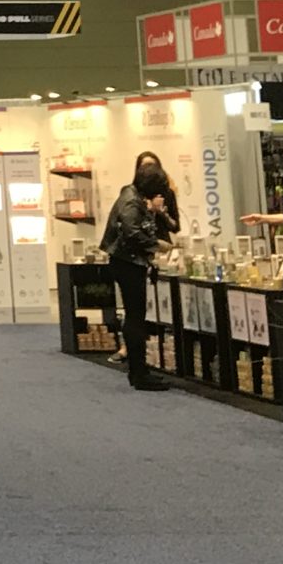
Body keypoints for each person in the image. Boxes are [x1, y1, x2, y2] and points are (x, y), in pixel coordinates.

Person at [100, 151, 179, 391]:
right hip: (127, 263)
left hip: (127, 261)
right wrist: (155, 244)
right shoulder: (131, 202)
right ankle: (139, 373)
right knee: (135, 317)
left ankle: (139, 371)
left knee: (135, 316)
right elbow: (132, 231)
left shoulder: (131, 196)